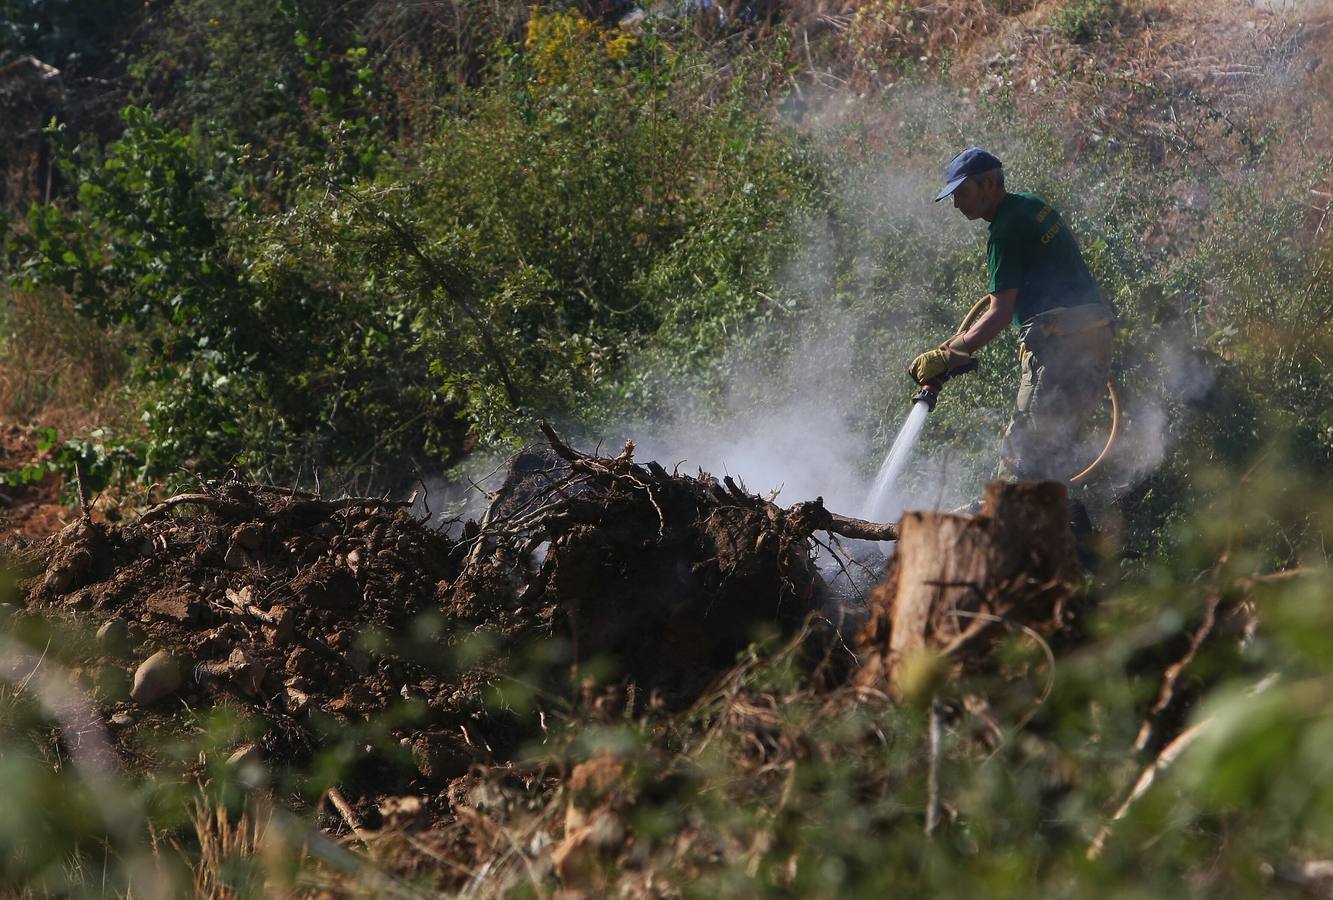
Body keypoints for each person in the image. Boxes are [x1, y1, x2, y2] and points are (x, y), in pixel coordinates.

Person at [910, 147, 1116, 489]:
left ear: (989, 184)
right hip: (1097, 334)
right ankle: (1057, 519)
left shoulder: (1004, 231)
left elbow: (999, 314)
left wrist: (947, 356)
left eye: (963, 193)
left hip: (1059, 344)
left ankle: (1009, 518)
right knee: (1052, 455)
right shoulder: (1033, 205)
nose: (957, 204)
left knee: (1021, 457)